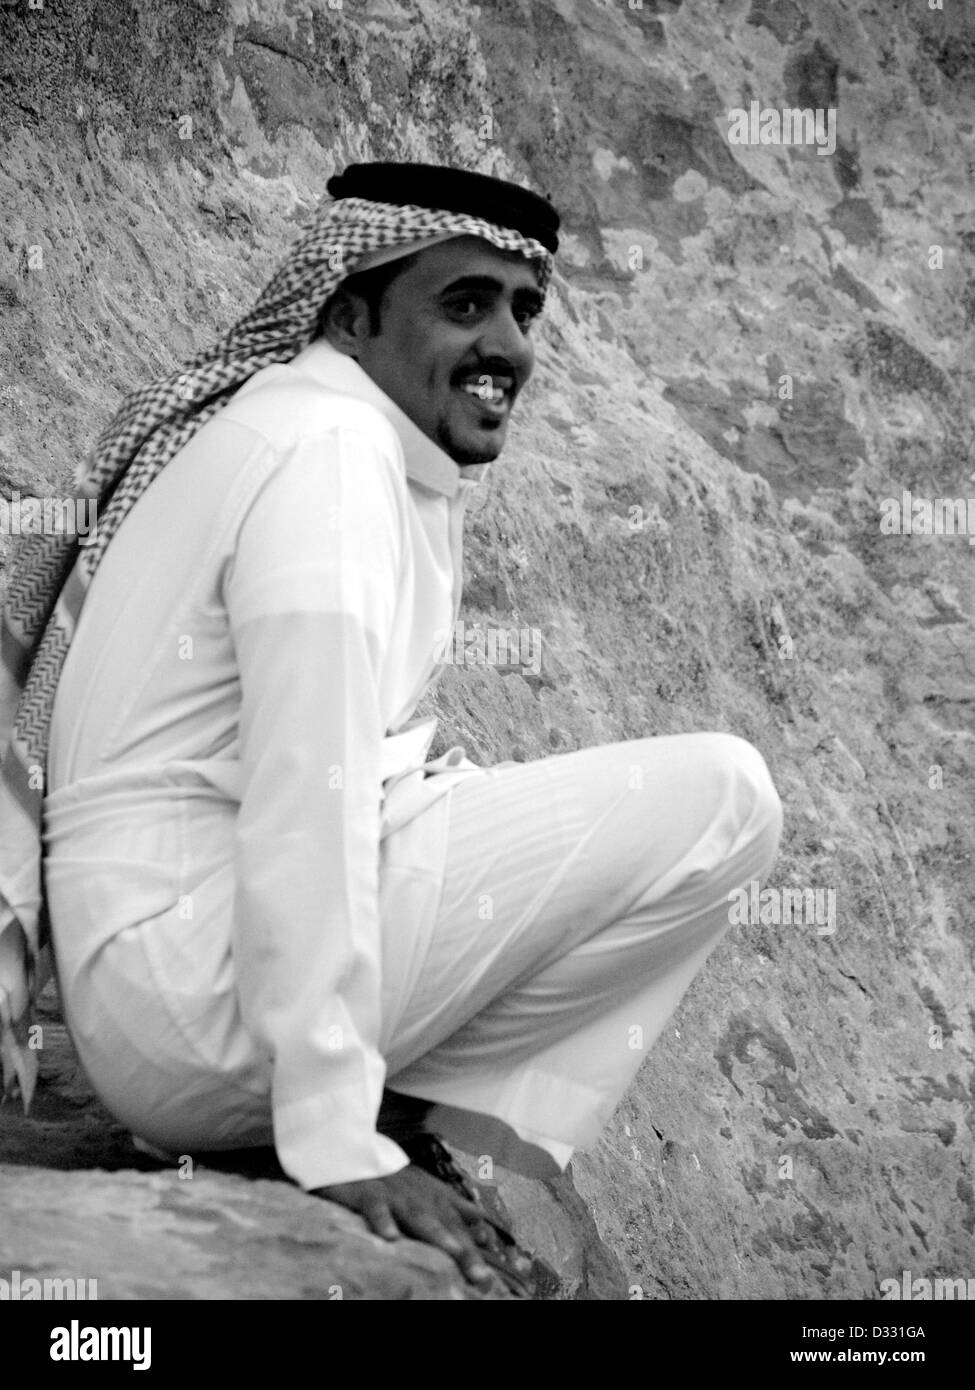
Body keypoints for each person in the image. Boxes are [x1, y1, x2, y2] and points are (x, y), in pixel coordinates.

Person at [0, 163, 783, 1296]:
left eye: (524, 311)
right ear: (351, 314)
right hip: (189, 993)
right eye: (465, 303)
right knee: (726, 796)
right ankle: (344, 1111)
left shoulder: (328, 430)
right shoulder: (328, 452)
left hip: (170, 982)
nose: (507, 346)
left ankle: (375, 1104)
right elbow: (303, 798)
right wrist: (331, 1137)